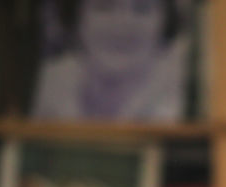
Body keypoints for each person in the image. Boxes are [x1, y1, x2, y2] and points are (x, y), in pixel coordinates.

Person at [30, 0, 191, 121]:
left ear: (166, 22)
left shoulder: (184, 97)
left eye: (142, 9)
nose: (123, 23)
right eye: (104, 7)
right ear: (77, 18)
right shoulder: (52, 84)